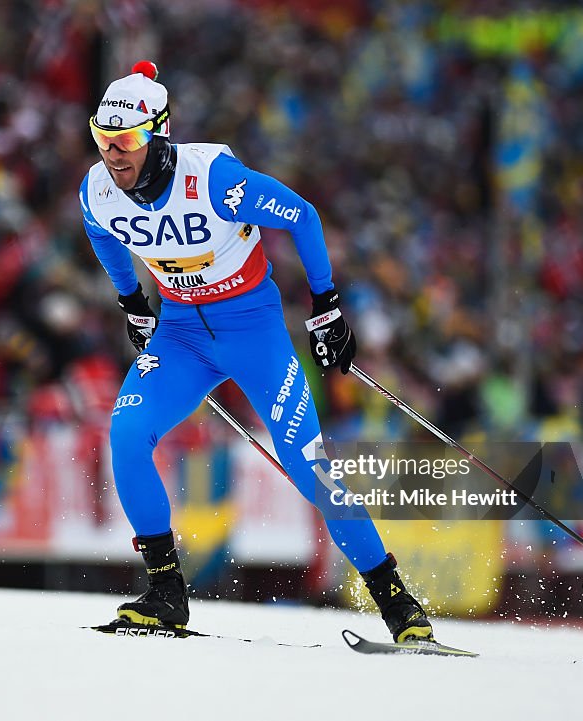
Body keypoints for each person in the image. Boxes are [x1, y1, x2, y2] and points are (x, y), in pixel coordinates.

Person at [79, 61, 434, 644]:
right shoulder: (97, 189)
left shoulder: (213, 179)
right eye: (102, 140)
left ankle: (397, 604)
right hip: (181, 336)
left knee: (310, 467)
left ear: (159, 135)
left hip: (253, 331)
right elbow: (99, 232)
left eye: (126, 142)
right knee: (126, 433)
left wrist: (327, 306)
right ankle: (166, 594)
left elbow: (303, 216)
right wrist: (130, 301)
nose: (113, 155)